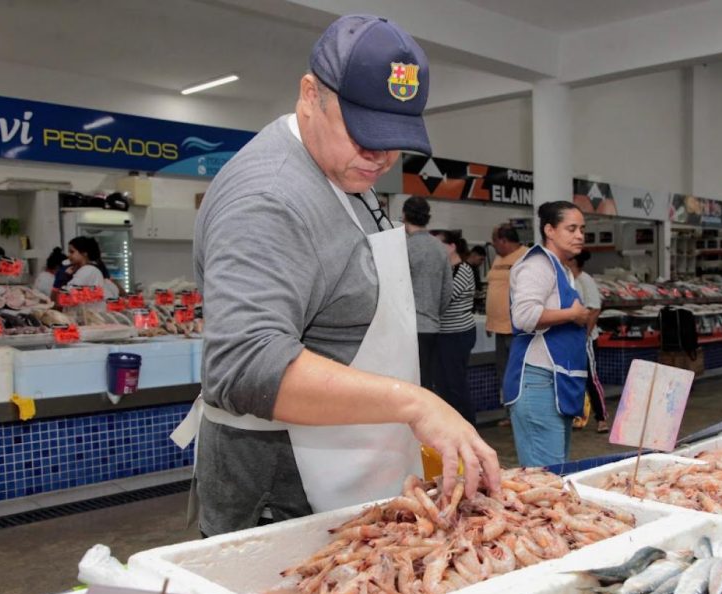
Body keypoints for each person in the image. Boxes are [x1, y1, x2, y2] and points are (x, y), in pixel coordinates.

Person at [175, 14, 499, 538]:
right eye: (365, 132)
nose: (381, 156)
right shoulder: (268, 198)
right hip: (281, 489)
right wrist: (415, 402)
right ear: (310, 94)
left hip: (351, 466)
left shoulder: (343, 170)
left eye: (394, 138)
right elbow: (244, 365)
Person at [504, 201, 590, 468]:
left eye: (582, 229)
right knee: (546, 478)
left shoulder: (561, 268)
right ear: (550, 230)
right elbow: (524, 316)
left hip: (556, 383)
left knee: (557, 472)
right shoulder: (538, 266)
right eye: (571, 228)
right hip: (538, 382)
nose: (580, 235)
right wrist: (572, 315)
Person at [403, 195, 452, 390]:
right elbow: (447, 289)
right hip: (431, 327)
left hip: (407, 328)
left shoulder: (404, 247)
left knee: (408, 382)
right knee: (426, 381)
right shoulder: (440, 248)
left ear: (405, 216)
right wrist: (433, 313)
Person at [485, 223, 528, 425]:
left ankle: (521, 414)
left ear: (503, 240)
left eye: (495, 242)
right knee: (503, 373)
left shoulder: (525, 256)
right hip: (498, 327)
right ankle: (509, 413)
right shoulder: (499, 258)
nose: (494, 246)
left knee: (518, 373)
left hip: (515, 329)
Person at [435, 231, 477, 424]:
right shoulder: (447, 270)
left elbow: (444, 298)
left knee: (456, 383)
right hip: (444, 333)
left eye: (439, 244)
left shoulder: (463, 270)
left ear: (452, 246)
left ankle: (468, 425)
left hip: (458, 334)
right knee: (444, 383)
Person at [569, 251, 608, 433]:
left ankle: (601, 418)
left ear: (574, 262)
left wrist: (585, 335)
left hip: (586, 339)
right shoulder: (568, 279)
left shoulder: (585, 281)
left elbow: (594, 310)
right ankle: (577, 416)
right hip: (571, 338)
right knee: (574, 378)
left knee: (592, 379)